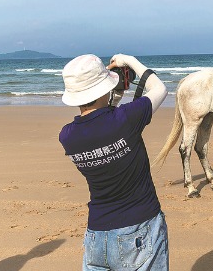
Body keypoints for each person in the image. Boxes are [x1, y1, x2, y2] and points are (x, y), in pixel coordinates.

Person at [59, 53, 169, 271]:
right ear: (102, 89)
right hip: (140, 228)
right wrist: (128, 60)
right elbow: (160, 89)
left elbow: (102, 122)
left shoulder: (67, 137)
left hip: (97, 236)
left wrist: (110, 92)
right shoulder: (126, 119)